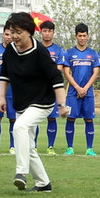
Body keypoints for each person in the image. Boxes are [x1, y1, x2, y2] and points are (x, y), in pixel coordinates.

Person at [0, 12, 71, 192]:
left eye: (18, 32)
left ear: (29, 32)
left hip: (42, 102)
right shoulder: (10, 50)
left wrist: (62, 105)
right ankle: (43, 183)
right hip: (21, 103)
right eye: (11, 32)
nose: (14, 36)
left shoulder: (40, 52)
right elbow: (5, 75)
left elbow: (56, 77)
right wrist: (1, 97)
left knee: (19, 128)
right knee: (28, 146)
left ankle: (21, 173)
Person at [62, 23, 100, 156]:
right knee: (70, 118)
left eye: (84, 36)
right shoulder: (69, 53)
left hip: (88, 93)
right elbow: (66, 72)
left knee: (89, 119)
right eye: (80, 36)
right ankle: (70, 148)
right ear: (75, 36)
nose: (82, 38)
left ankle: (89, 148)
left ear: (88, 36)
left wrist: (85, 88)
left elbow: (95, 73)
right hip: (73, 92)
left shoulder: (93, 54)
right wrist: (78, 88)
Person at [39, 20, 63, 154]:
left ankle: (50, 147)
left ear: (53, 33)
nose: (47, 34)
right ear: (40, 32)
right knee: (33, 117)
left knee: (52, 117)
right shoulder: (35, 47)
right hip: (36, 89)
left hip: (51, 89)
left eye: (49, 31)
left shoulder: (58, 50)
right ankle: (34, 146)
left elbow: (58, 70)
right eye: (44, 31)